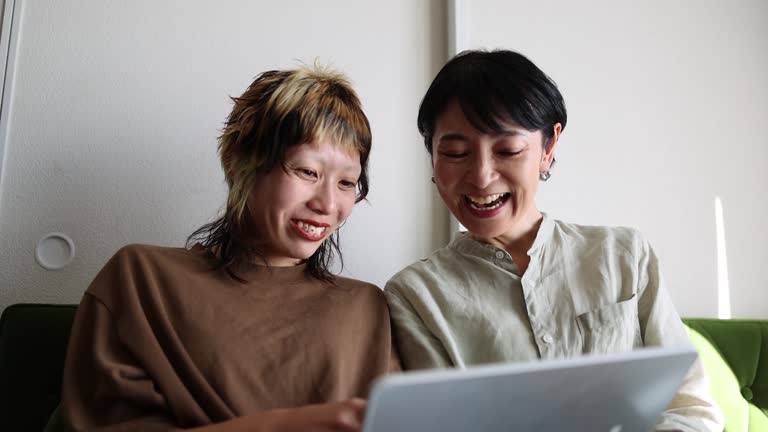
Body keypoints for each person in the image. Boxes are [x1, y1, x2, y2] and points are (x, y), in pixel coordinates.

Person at [384, 49, 723, 431]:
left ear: (548, 148)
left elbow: (690, 407)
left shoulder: (624, 256)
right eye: (455, 152)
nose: (481, 177)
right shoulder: (415, 295)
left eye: (508, 150)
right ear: (432, 157)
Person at [58, 65, 400, 432]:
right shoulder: (141, 279)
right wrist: (294, 424)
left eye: (347, 182)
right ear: (240, 163)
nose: (328, 204)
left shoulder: (367, 308)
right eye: (307, 172)